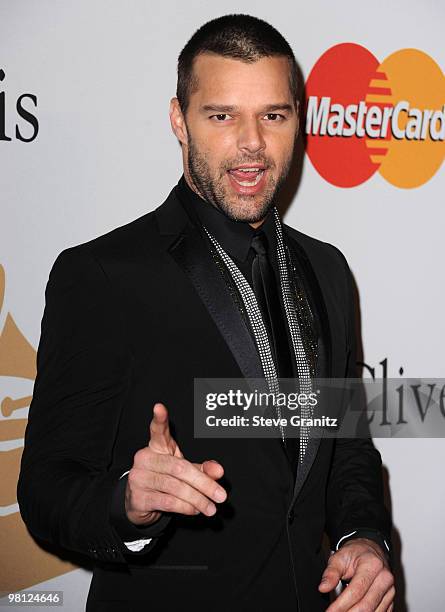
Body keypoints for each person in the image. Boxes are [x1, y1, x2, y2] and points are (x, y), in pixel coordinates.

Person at [17, 14, 395, 612]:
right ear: (179, 121)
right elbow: (44, 489)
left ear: (297, 119)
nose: (251, 143)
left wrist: (363, 536)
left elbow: (345, 441)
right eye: (222, 116)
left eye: (273, 115)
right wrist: (127, 503)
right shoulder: (105, 275)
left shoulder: (326, 269)